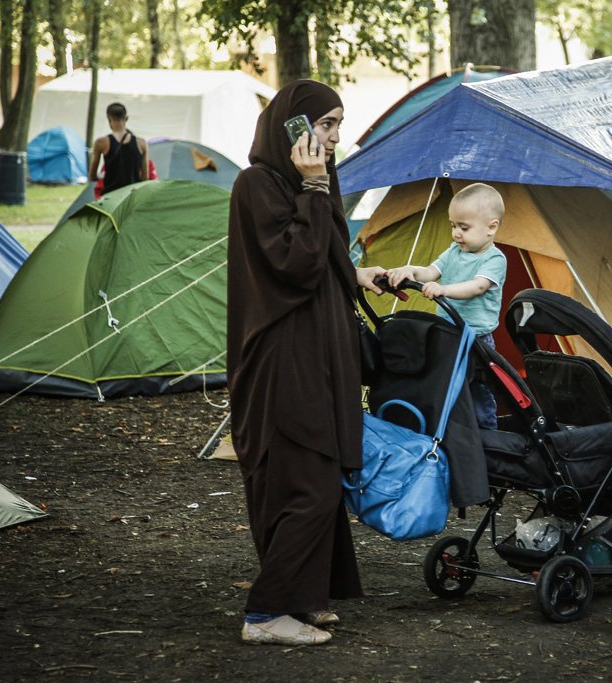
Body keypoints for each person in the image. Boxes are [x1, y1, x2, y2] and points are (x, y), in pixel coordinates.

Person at [227, 79, 387, 646]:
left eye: (339, 125)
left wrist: (366, 276)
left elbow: (324, 260)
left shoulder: (310, 184)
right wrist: (314, 188)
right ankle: (267, 614)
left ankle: (303, 599)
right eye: (325, 124)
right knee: (308, 485)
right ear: (292, 127)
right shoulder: (257, 185)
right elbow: (294, 263)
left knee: (314, 479)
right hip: (281, 362)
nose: (335, 137)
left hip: (316, 356)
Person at [386, 182, 507, 429]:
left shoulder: (494, 259)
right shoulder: (454, 251)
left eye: (464, 227)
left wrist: (444, 290)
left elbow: (477, 287)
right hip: (448, 333)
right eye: (453, 226)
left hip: (476, 339)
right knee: (443, 384)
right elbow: (431, 272)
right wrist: (411, 271)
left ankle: (487, 432)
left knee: (477, 390)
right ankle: (447, 429)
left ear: (491, 228)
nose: (456, 234)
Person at [88, 102, 149, 197]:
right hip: (132, 197)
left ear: (109, 118)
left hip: (110, 197)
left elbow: (92, 176)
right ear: (126, 118)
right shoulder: (141, 143)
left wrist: (101, 175)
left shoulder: (101, 143)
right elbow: (145, 178)